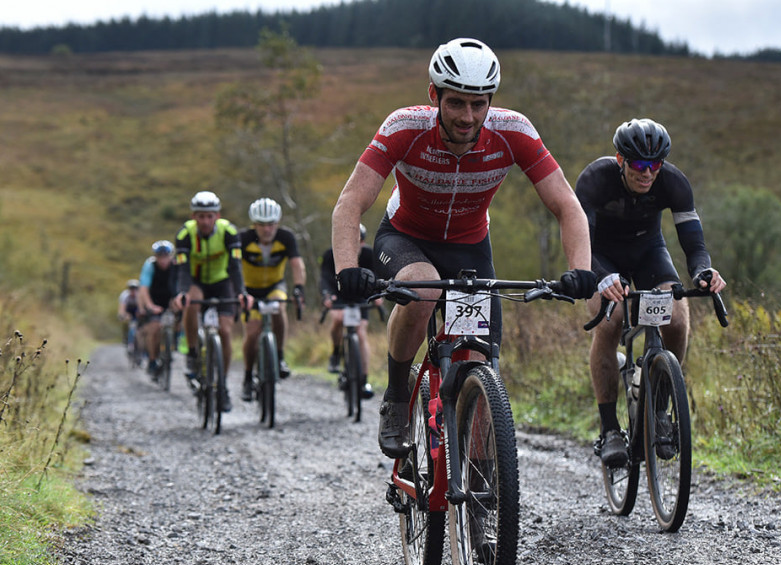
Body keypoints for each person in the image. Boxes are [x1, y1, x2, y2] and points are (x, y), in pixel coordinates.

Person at [329, 37, 596, 458]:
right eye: (455, 103)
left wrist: (580, 269)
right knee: (423, 288)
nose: (468, 116)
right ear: (433, 95)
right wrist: (347, 268)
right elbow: (351, 203)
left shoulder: (513, 132)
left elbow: (567, 205)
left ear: (491, 101)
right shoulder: (404, 127)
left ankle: (481, 491)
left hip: (471, 246)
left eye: (479, 104)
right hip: (405, 237)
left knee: (480, 366)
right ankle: (397, 396)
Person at [575, 117, 727, 467]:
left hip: (648, 254)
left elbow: (693, 241)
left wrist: (703, 271)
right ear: (620, 160)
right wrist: (599, 276)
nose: (647, 173)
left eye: (655, 165)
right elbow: (582, 241)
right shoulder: (596, 179)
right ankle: (610, 428)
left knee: (676, 319)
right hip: (601, 256)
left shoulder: (673, 182)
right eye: (640, 165)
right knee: (610, 323)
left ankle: (659, 405)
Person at [171, 191, 251, 412]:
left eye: (209, 216)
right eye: (200, 216)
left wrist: (242, 292)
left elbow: (236, 266)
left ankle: (222, 385)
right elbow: (183, 269)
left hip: (222, 281)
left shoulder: (229, 232)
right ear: (193, 217)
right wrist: (183, 291)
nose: (205, 221)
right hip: (196, 281)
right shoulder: (184, 234)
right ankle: (193, 352)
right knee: (191, 302)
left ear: (217, 215)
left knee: (225, 331)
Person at [238, 197, 307, 402]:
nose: (267, 229)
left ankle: (279, 357)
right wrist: (241, 292)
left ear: (277, 223)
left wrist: (299, 290)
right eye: (261, 225)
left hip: (275, 286)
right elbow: (233, 268)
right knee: (252, 333)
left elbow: (297, 265)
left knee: (278, 307)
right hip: (249, 289)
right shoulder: (243, 238)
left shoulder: (286, 237)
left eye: (271, 225)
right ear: (254, 224)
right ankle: (248, 377)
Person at [319, 223, 380, 399]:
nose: (355, 245)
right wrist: (326, 296)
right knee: (338, 319)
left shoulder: (369, 255)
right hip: (339, 296)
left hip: (361, 297)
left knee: (361, 334)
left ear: (363, 242)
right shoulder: (330, 255)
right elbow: (324, 279)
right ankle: (336, 353)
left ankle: (364, 379)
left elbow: (378, 277)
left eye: (359, 241)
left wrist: (378, 296)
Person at [137, 241, 176, 378]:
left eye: (166, 256)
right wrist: (149, 306)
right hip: (154, 301)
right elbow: (143, 289)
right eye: (160, 256)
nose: (163, 259)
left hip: (171, 300)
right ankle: (152, 360)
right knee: (154, 328)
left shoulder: (176, 265)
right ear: (156, 256)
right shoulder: (150, 265)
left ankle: (174, 345)